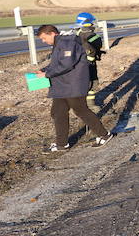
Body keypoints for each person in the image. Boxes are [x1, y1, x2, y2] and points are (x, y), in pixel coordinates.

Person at [34, 24, 113, 152]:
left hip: (73, 85)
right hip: (62, 86)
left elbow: (66, 64)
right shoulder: (59, 44)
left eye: (44, 38)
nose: (44, 41)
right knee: (58, 112)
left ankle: (104, 135)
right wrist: (44, 70)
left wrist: (47, 74)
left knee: (81, 111)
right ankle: (61, 144)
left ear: (52, 33)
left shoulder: (67, 43)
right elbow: (56, 64)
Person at [75, 12, 104, 108]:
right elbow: (98, 45)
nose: (93, 24)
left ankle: (81, 104)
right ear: (88, 23)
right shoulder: (93, 36)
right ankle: (90, 105)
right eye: (92, 22)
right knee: (91, 83)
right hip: (89, 64)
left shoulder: (76, 34)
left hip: (77, 64)